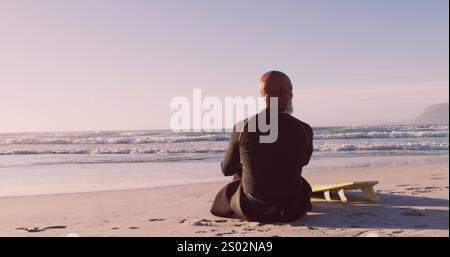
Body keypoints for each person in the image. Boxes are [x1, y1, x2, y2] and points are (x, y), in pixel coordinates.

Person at [210, 71, 313, 222]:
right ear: (284, 91)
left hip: (254, 209)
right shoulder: (304, 128)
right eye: (291, 92)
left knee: (237, 178)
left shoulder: (242, 126)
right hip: (292, 208)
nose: (291, 96)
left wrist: (246, 164)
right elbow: (303, 161)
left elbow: (227, 170)